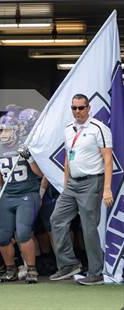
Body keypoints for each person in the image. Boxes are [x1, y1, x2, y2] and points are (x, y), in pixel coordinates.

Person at [49, 94, 113, 285]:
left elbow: (108, 160)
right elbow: (68, 157)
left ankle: (96, 272)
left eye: (81, 108)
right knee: (56, 219)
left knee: (88, 227)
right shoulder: (69, 129)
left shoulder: (99, 128)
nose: (77, 111)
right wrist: (66, 183)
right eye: (74, 108)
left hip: (92, 182)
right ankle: (69, 264)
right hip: (73, 184)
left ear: (88, 108)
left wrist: (107, 189)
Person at [0, 115, 43, 284]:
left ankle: (31, 269)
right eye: (0, 131)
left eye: (6, 130)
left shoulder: (26, 145)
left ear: (16, 130)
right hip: (6, 195)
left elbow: (40, 173)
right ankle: (10, 268)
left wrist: (29, 157)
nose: (3, 134)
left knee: (24, 232)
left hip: (27, 193)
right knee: (3, 236)